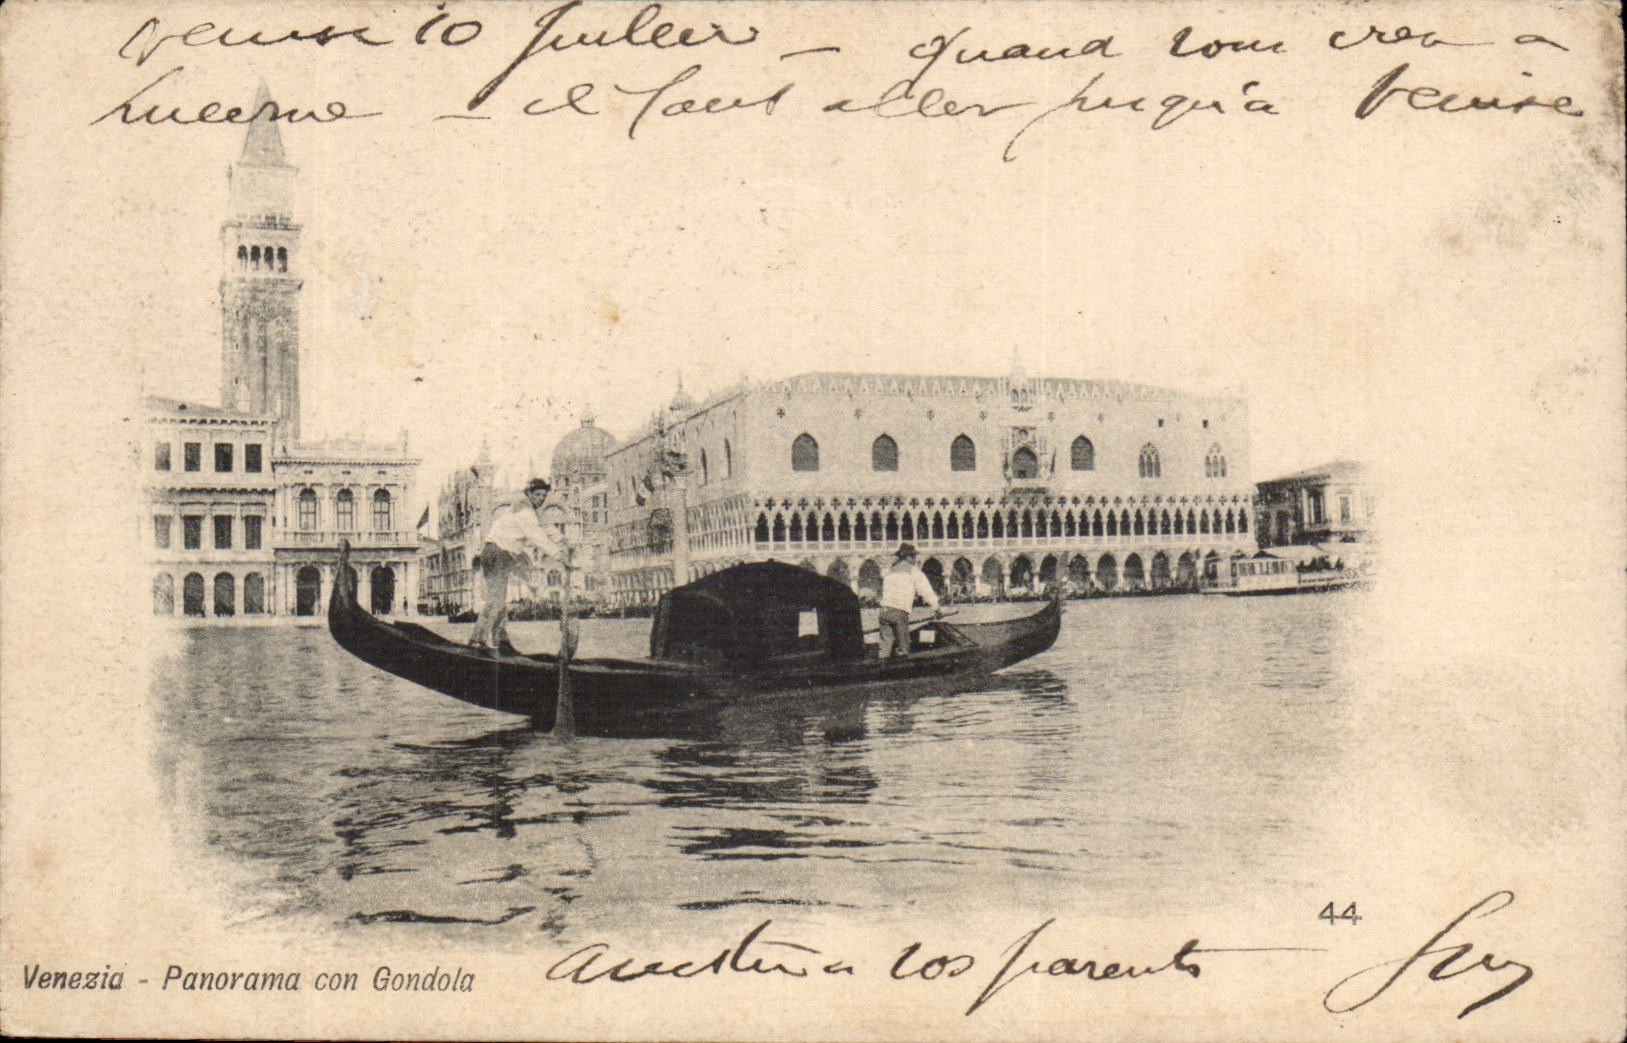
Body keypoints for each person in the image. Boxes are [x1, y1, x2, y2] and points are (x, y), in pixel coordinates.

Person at [469, 477, 566, 652]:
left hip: (500, 554)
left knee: (499, 600)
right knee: (496, 601)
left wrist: (563, 540)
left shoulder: (527, 509)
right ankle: (477, 640)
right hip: (497, 553)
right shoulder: (525, 511)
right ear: (529, 494)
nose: (541, 499)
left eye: (544, 496)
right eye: (538, 495)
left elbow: (544, 526)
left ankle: (501, 642)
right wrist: (559, 554)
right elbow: (535, 534)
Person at [878, 543, 941, 658]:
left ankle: (881, 669)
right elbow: (925, 590)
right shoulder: (913, 571)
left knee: (885, 645)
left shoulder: (890, 571)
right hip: (899, 611)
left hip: (884, 611)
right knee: (903, 646)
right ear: (908, 557)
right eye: (914, 556)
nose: (915, 559)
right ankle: (902, 672)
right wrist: (936, 608)